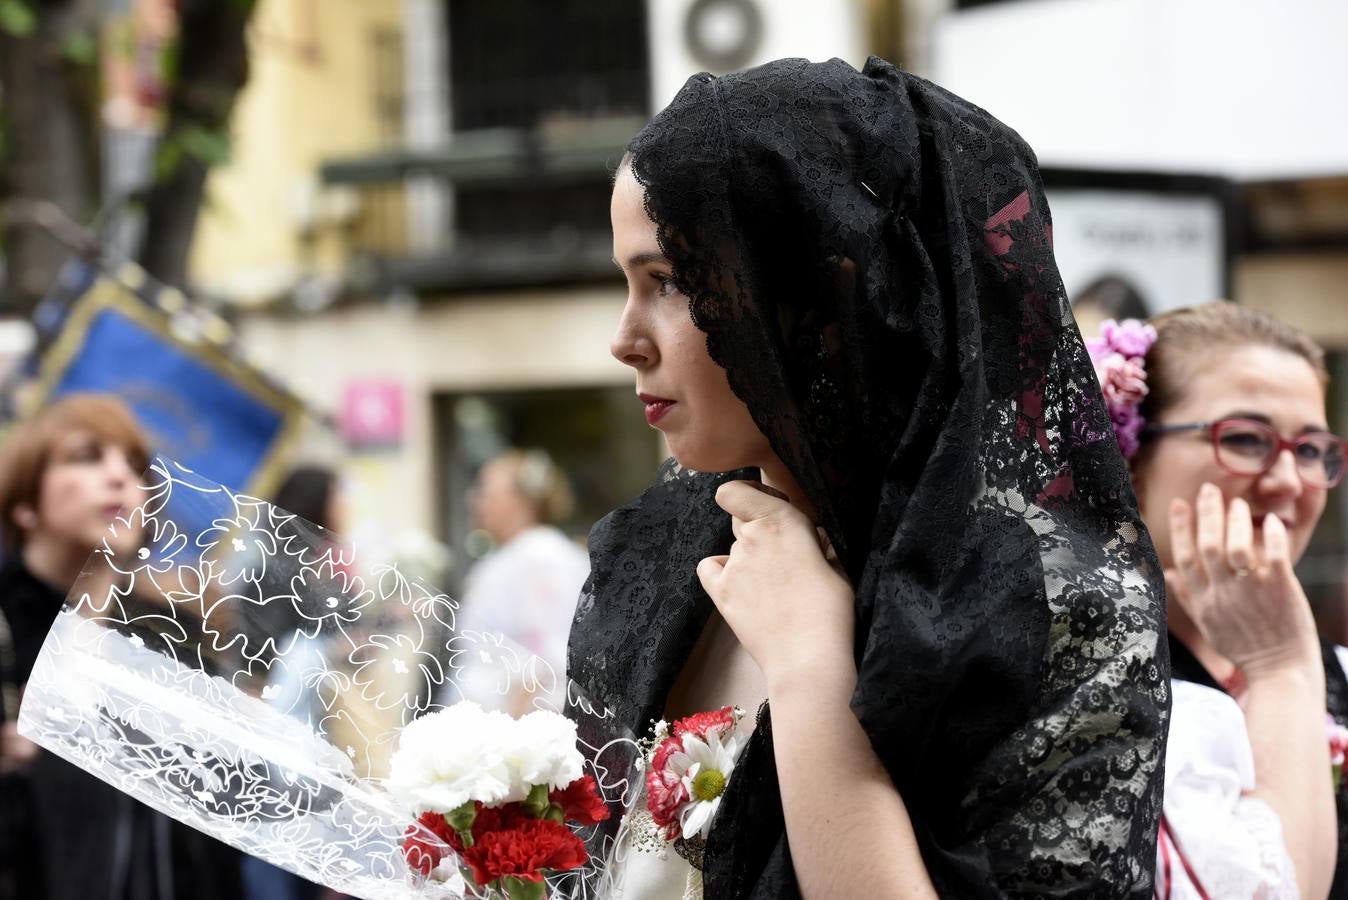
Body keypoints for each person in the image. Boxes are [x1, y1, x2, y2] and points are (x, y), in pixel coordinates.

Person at [569, 57, 1169, 898]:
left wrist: (813, 676)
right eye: (628, 283)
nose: (625, 338)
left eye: (669, 282)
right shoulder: (658, 553)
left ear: (829, 296)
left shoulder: (1048, 604)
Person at [1091, 303, 1347, 898]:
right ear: (1130, 458)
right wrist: (1279, 662)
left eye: (1311, 449)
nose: (1289, 479)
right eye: (1246, 439)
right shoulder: (1083, 683)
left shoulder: (1336, 673)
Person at [0, 393, 241, 900]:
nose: (119, 478)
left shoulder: (175, 639)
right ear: (25, 505)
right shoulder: (7, 625)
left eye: (134, 466)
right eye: (86, 457)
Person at [457, 449, 588, 708]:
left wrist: (510, 733)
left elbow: (544, 658)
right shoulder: (509, 556)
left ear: (520, 500)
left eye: (486, 491)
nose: (475, 500)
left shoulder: (542, 558)